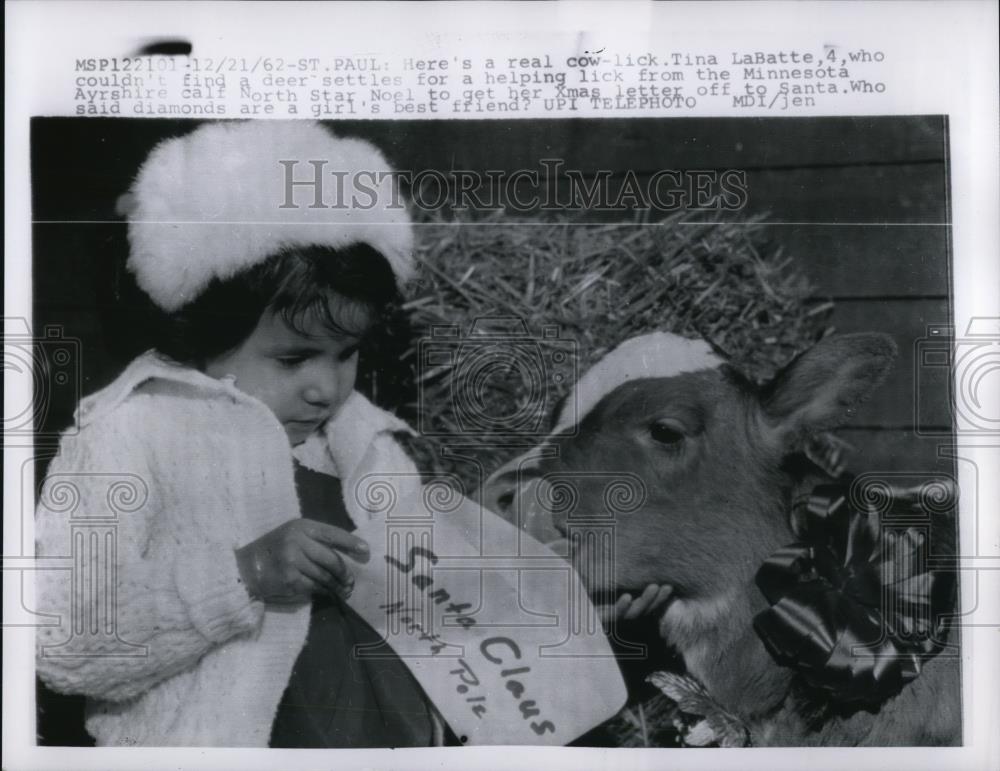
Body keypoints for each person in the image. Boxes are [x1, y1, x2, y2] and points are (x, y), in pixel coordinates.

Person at [34, 120, 442, 747]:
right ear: (203, 333)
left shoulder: (367, 444)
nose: (325, 388)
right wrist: (243, 576)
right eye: (292, 358)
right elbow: (65, 643)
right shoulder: (132, 434)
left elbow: (438, 610)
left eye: (346, 353)